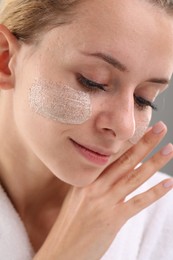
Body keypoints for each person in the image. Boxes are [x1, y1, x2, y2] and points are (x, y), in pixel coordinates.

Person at [0, 0, 173, 259]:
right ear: (6, 59)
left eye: (144, 99)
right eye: (93, 81)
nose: (125, 126)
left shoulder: (162, 220)